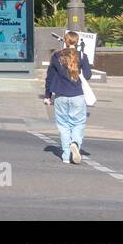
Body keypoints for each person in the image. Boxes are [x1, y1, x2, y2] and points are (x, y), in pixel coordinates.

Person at [44, 30, 92, 165]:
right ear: (77, 42)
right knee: (78, 123)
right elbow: (88, 76)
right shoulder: (82, 56)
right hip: (77, 95)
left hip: (60, 95)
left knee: (63, 126)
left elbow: (50, 77)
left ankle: (66, 156)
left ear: (65, 41)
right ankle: (75, 143)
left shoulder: (56, 56)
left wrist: (48, 96)